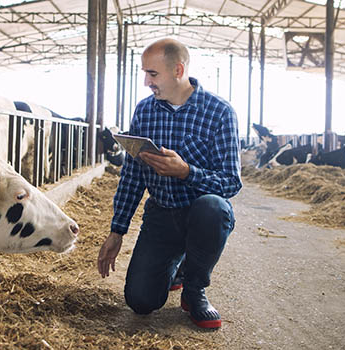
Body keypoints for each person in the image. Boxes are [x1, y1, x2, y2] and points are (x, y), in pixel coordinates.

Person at [97, 38, 242, 329]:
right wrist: (117, 230)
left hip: (200, 214)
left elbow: (231, 183)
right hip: (161, 214)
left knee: (213, 207)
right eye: (144, 73)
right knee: (140, 301)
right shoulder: (145, 111)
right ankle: (175, 263)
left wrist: (186, 172)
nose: (145, 82)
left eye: (152, 74)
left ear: (178, 70)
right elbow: (133, 174)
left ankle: (194, 289)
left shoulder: (220, 113)